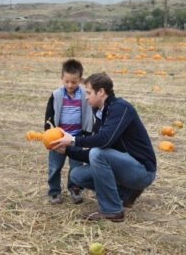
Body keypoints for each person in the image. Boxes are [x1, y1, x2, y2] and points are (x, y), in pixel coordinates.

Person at [51, 72, 157, 222]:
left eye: (88, 92)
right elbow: (97, 151)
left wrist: (73, 139)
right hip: (124, 166)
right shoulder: (101, 112)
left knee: (97, 154)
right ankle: (126, 193)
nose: (86, 97)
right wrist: (67, 150)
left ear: (100, 92)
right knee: (77, 175)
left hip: (142, 170)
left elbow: (103, 142)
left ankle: (112, 210)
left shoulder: (120, 108)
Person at [44, 59, 93, 204]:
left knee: (77, 166)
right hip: (58, 137)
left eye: (74, 82)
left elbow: (89, 114)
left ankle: (75, 188)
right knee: (55, 166)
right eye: (67, 81)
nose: (70, 85)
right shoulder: (57, 95)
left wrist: (88, 134)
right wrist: (49, 134)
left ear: (80, 80)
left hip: (75, 137)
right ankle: (54, 191)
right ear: (62, 78)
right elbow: (49, 116)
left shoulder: (84, 95)